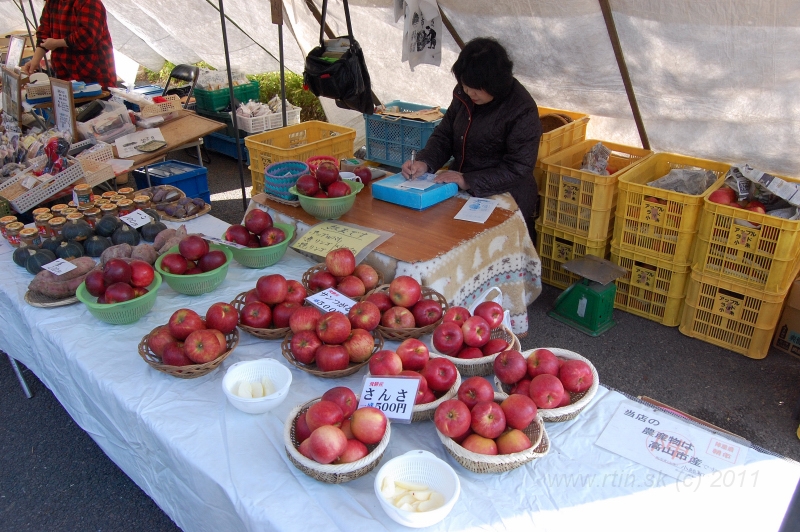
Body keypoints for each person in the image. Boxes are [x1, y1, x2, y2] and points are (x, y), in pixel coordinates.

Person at [401, 37, 542, 236]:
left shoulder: (521, 109)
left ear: (495, 83)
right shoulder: (464, 94)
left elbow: (518, 167)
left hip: (506, 194)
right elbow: (445, 135)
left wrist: (468, 180)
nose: (468, 92)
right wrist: (425, 162)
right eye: (465, 85)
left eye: (475, 88)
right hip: (460, 187)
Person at [21, 0, 117, 89]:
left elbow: (87, 37)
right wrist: (35, 61)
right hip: (65, 76)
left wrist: (57, 43)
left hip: (94, 79)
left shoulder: (89, 2)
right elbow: (43, 33)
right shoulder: (52, 2)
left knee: (95, 106)